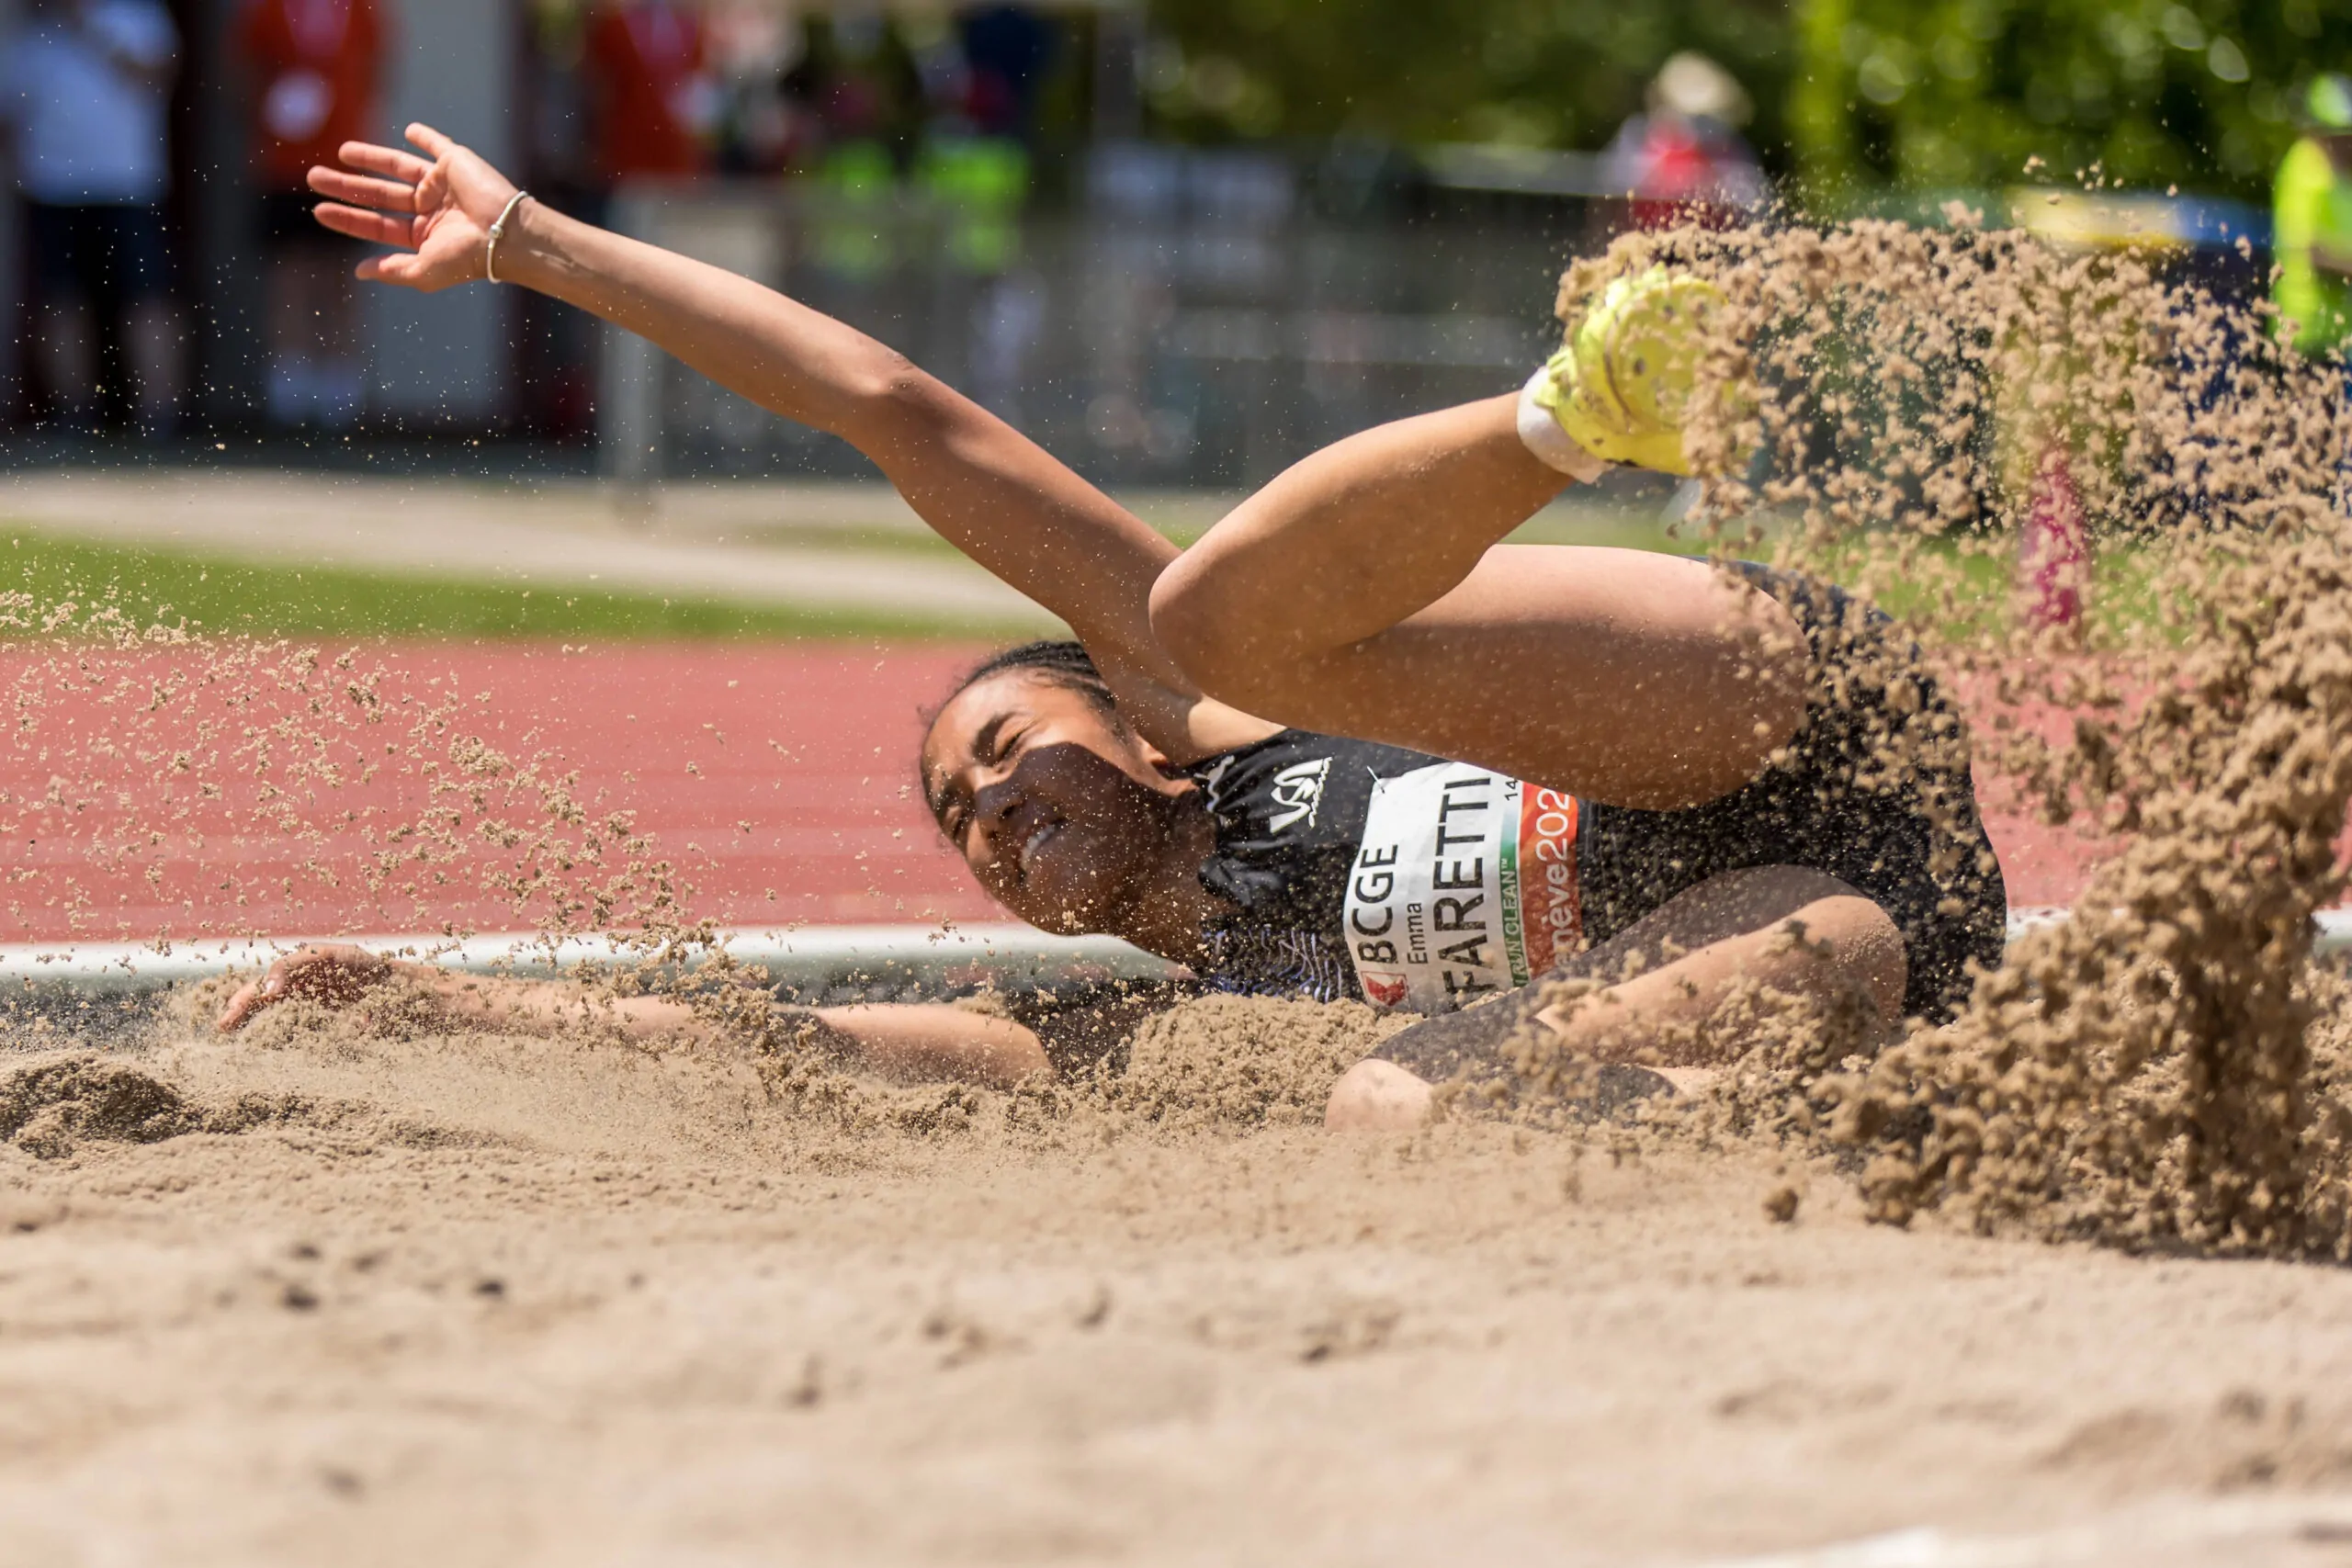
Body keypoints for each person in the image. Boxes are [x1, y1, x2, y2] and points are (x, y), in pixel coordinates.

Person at [219, 125, 2008, 1132]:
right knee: (1388, 1118)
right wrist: (424, 997)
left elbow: (888, 408)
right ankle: (1847, 1129)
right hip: (1851, 921)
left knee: (1218, 610)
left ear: (1125, 737)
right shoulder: (1178, 1027)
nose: (988, 812)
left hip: (1770, 721)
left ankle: (1582, 405)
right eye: (959, 819)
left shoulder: (1192, 703)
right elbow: (793, 1046)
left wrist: (535, 238)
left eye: (1002, 748)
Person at [0, 0, 182, 435]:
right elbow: (9, 116)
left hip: (127, 183)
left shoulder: (138, 16)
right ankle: (74, 412)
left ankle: (159, 413)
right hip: (51, 185)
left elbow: (157, 77)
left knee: (146, 297)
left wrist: (92, 29)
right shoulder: (31, 35)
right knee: (61, 301)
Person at [235, 0, 391, 429]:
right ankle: (288, 393)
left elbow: (377, 73)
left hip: (345, 165)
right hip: (284, 167)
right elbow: (247, 75)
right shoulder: (267, 10)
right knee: (289, 275)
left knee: (343, 277)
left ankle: (340, 394)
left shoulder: (364, 9)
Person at [2273, 73, 2352, 359]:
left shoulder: (2339, 175)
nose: (2347, 144)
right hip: (2304, 332)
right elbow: (2310, 251)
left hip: (2335, 335)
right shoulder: (2307, 169)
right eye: (2340, 136)